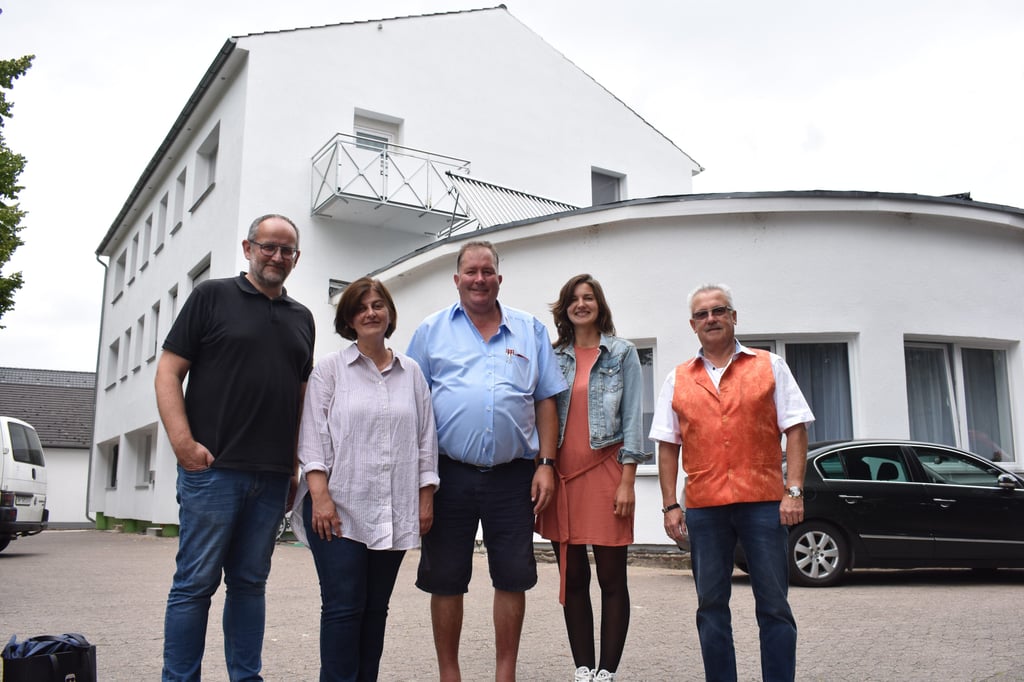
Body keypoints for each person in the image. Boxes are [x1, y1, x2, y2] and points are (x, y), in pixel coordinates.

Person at [155, 214, 315, 681]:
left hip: (269, 478)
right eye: (268, 247)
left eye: (286, 251)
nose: (277, 257)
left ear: (296, 259)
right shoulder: (211, 296)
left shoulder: (302, 318)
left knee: (249, 585)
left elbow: (299, 397)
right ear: (248, 248)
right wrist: (183, 443)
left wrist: (292, 467)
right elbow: (168, 372)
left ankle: (246, 677)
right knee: (194, 585)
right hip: (213, 470)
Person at [406, 240, 568, 682]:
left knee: (513, 576)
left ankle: (505, 673)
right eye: (470, 272)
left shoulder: (529, 330)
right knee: (445, 578)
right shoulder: (430, 331)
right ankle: (449, 674)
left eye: (487, 271)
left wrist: (546, 464)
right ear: (456, 279)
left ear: (499, 277)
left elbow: (546, 401)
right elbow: (412, 402)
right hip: (448, 474)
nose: (479, 279)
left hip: (514, 475)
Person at [649, 283, 814, 682]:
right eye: (703, 314)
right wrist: (671, 504)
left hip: (763, 502)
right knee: (710, 607)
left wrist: (793, 489)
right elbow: (667, 446)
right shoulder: (677, 378)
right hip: (705, 507)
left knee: (774, 605)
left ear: (733, 317)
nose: (712, 319)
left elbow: (795, 429)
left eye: (719, 311)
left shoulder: (769, 365)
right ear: (693, 325)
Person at [291, 276, 439, 682]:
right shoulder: (330, 371)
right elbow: (313, 437)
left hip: (394, 507)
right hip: (336, 507)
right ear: (349, 320)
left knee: (376, 609)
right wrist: (319, 496)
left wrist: (426, 496)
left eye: (377, 305)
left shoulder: (412, 374)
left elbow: (426, 440)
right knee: (343, 607)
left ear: (388, 312)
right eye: (361, 307)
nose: (370, 313)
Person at [535, 274, 647, 682]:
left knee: (611, 576)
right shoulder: (552, 356)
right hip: (563, 479)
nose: (581, 304)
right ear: (564, 308)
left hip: (607, 474)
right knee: (574, 575)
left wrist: (628, 480)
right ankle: (583, 667)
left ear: (599, 304)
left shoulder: (622, 353)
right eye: (574, 299)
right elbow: (540, 415)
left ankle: (607, 671)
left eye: (589, 298)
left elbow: (633, 418)